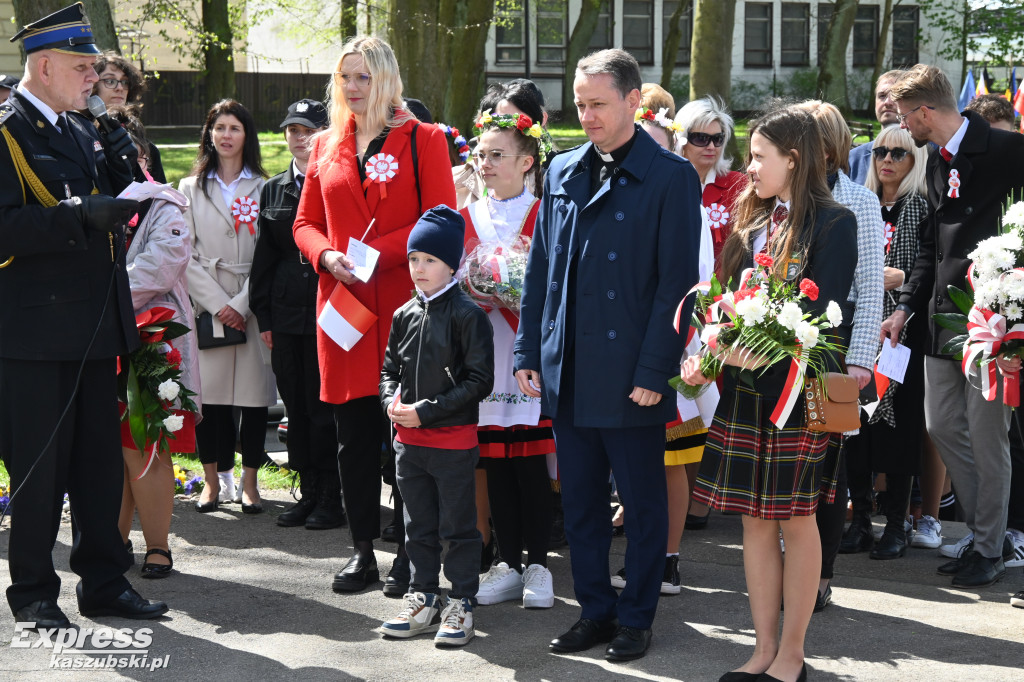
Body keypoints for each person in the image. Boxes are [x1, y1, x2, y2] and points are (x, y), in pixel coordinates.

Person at [514, 48, 701, 662]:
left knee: (644, 507)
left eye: (597, 104)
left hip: (632, 376)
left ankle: (636, 617)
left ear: (631, 100)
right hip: (570, 368)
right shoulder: (565, 169)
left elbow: (678, 286)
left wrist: (655, 370)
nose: (585, 115)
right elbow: (541, 272)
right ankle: (594, 611)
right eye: (579, 103)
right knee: (582, 505)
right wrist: (529, 351)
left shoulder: (672, 177)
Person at [0, 2, 167, 629]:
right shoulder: (7, 132)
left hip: (95, 324)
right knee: (40, 471)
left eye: (94, 67)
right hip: (36, 333)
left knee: (98, 466)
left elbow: (118, 200)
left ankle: (103, 582)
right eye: (82, 67)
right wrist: (77, 218)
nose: (93, 78)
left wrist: (124, 162)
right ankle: (35, 594)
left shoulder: (78, 127)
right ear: (44, 66)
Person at [684, 106, 858, 682]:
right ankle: (762, 650)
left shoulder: (835, 223)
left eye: (760, 156)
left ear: (796, 159)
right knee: (754, 523)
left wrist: (750, 345)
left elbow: (822, 315)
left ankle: (792, 655)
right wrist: (709, 347)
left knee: (796, 518)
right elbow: (726, 300)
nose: (749, 167)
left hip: (796, 398)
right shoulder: (753, 219)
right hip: (744, 392)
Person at [292, 36, 456, 596]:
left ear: (386, 79)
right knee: (353, 438)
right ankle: (362, 550)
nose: (353, 88)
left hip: (406, 310)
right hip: (342, 311)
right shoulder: (324, 146)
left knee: (409, 437)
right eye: (345, 78)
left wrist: (374, 255)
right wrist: (327, 256)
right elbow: (304, 223)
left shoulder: (423, 139)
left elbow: (441, 219)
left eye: (363, 77)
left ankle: (412, 553)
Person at [884, 64, 1024, 589]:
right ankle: (990, 534)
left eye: (904, 117)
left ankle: (989, 545)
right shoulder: (937, 160)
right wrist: (904, 309)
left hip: (996, 324)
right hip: (941, 322)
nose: (902, 128)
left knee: (990, 439)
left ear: (924, 112)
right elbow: (929, 247)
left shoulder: (1011, 151)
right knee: (942, 425)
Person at [377, 205, 494, 646]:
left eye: (430, 260)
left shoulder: (468, 315)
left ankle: (462, 602)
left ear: (452, 264)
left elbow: (480, 381)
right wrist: (391, 400)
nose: (419, 268)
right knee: (416, 524)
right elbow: (388, 370)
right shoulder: (403, 314)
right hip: (409, 443)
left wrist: (428, 410)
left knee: (458, 527)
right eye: (413, 259)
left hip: (452, 441)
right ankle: (423, 594)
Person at [462, 112, 556, 609]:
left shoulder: (545, 213)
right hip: (486, 351)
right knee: (494, 461)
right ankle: (506, 561)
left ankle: (539, 563)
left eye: (497, 155)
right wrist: (474, 285)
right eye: (481, 155)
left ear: (526, 162)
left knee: (530, 462)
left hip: (528, 351)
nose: (486, 163)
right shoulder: (467, 215)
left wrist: (517, 293)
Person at [833, 126, 932, 566]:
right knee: (857, 428)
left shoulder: (922, 207)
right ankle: (859, 521)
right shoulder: (858, 202)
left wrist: (900, 280)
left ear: (915, 162)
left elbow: (931, 265)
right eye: (880, 152)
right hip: (859, 328)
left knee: (898, 429)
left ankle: (896, 525)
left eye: (900, 153)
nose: (887, 160)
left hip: (902, 334)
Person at [110, 107, 201, 580]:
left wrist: (98, 292)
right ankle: (112, 542)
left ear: (141, 154)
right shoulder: (90, 199)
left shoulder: (165, 206)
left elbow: (161, 267)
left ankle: (158, 546)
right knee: (105, 449)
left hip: (152, 338)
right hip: (97, 343)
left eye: (124, 146)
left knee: (143, 444)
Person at [250, 99, 345, 531]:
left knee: (326, 408)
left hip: (332, 312)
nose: (300, 138)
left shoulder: (340, 181)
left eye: (309, 129)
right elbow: (264, 260)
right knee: (297, 406)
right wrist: (264, 318)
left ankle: (332, 494)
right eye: (292, 130)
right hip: (287, 316)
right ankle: (308, 491)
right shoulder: (273, 189)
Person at [181, 99, 275, 514]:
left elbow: (270, 254)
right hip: (208, 305)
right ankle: (214, 482)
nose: (226, 135)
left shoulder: (264, 186)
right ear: (209, 133)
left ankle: (251, 484)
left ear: (246, 135)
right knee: (211, 399)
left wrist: (242, 303)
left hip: (252, 303)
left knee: (254, 398)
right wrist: (219, 304)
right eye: (219, 127)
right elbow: (183, 252)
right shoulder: (190, 188)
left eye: (234, 127)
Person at [675, 96, 748, 265]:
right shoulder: (666, 184)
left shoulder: (738, 185)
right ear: (682, 140)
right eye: (701, 138)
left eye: (717, 139)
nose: (711, 146)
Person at [91, 51, 166, 184]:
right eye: (110, 80)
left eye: (125, 82)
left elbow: (160, 200)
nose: (120, 87)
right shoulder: (78, 135)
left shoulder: (147, 148)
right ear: (91, 85)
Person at [849, 70, 906, 185]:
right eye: (882, 96)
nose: (888, 102)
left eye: (895, 96)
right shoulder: (854, 159)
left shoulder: (927, 156)